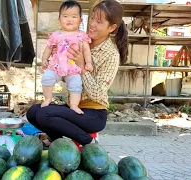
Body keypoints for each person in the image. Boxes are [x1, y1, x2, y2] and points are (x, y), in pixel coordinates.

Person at [27, 0, 128, 146]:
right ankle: (57, 142)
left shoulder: (111, 54)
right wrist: (58, 61)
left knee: (44, 114)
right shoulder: (77, 40)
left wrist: (81, 66)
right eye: (92, 18)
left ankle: (89, 142)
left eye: (99, 22)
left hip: (93, 113)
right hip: (73, 106)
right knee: (33, 112)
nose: (92, 24)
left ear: (111, 27)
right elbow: (67, 77)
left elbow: (98, 93)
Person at [41, 0, 93, 115]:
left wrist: (88, 62)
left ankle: (74, 105)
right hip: (56, 65)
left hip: (73, 67)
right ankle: (48, 98)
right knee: (46, 79)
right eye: (65, 16)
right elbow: (49, 48)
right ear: (59, 19)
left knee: (76, 86)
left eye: (74, 17)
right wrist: (44, 59)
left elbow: (86, 50)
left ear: (80, 20)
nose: (69, 20)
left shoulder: (81, 35)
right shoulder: (56, 34)